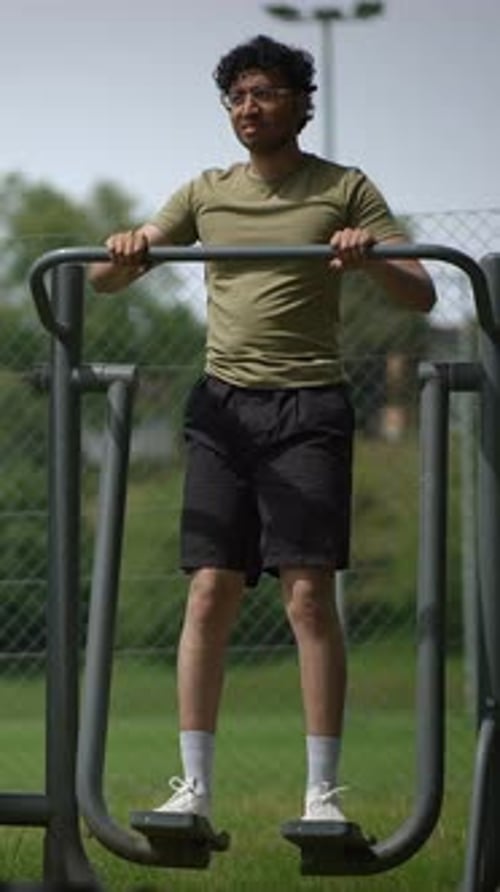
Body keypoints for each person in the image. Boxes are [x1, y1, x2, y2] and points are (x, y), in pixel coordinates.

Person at [89, 34, 436, 828]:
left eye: (266, 94)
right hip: (222, 407)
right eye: (238, 97)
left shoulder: (343, 188)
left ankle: (322, 795)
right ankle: (194, 790)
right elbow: (105, 282)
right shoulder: (206, 192)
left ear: (301, 103)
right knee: (209, 591)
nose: (250, 108)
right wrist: (128, 249)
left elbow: (418, 295)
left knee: (308, 597)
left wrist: (368, 254)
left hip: (307, 405)